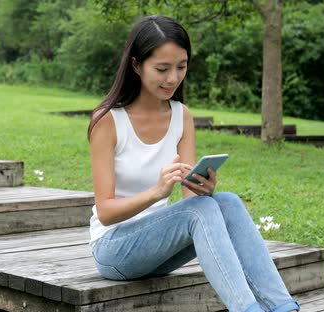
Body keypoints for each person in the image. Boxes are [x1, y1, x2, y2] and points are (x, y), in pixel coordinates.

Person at [87, 15, 300, 312]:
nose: (173, 78)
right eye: (162, 69)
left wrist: (203, 188)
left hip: (158, 252)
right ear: (136, 65)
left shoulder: (181, 116)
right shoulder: (108, 121)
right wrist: (156, 193)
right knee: (200, 211)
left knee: (227, 202)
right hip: (114, 250)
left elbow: (192, 202)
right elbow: (106, 212)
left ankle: (282, 306)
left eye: (181, 67)